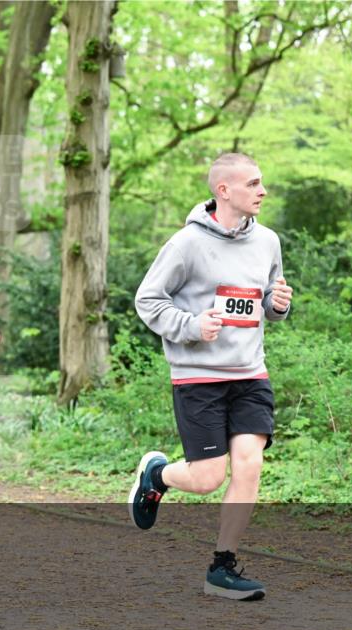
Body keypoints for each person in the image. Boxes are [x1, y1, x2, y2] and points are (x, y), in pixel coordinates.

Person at [130, 153, 293, 601]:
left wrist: (277, 306)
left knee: (249, 463)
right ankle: (157, 475)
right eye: (253, 183)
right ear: (224, 191)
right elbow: (148, 300)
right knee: (206, 478)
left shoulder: (268, 242)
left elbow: (266, 305)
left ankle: (222, 567)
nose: (263, 191)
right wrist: (191, 326)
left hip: (249, 373)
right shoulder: (186, 244)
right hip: (198, 376)